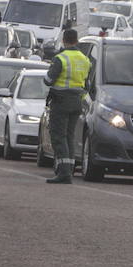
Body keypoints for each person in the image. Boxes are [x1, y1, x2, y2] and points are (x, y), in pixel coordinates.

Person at [43, 29, 91, 184]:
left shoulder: (61, 58)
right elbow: (88, 84)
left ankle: (63, 173)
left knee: (58, 136)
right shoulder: (85, 59)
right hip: (77, 102)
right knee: (69, 136)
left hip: (61, 102)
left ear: (64, 40)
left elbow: (48, 80)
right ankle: (68, 170)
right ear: (76, 41)